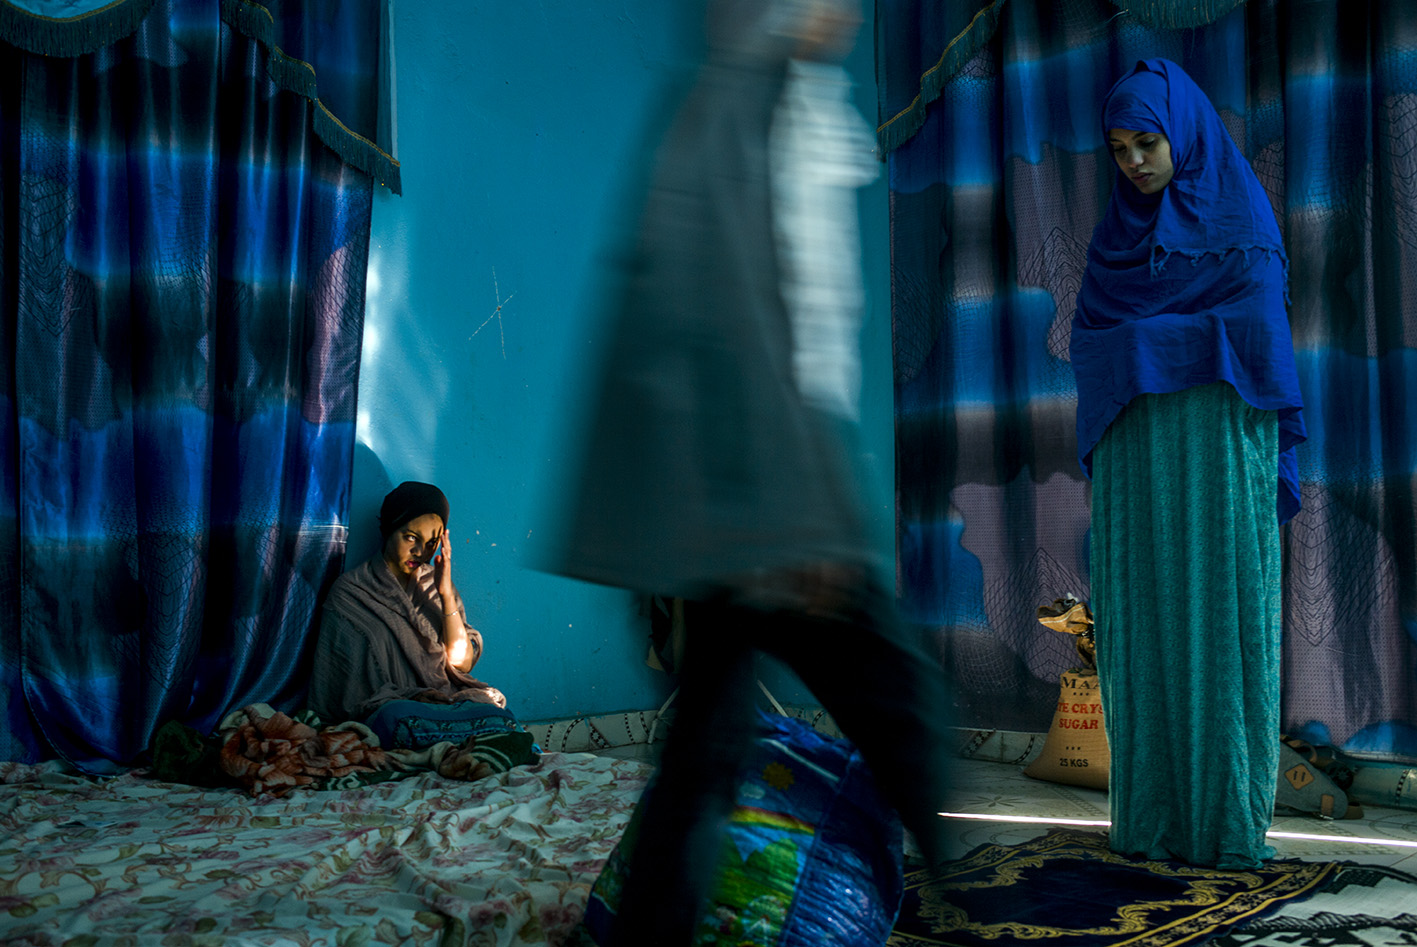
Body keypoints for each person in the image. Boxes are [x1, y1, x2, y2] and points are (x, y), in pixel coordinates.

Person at [547, 1, 953, 943]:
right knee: (900, 705)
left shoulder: (753, 100)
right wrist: (797, 520)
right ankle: (974, 905)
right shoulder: (751, 109)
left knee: (702, 751)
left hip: (726, 506)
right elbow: (747, 328)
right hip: (766, 506)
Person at [1070, 59, 1306, 868]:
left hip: (1216, 451)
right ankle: (1150, 822)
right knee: (1142, 622)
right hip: (1140, 456)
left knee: (1220, 614)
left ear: (1186, 136)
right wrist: (1171, 344)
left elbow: (1256, 344)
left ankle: (1224, 824)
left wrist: (1150, 346)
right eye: (1119, 148)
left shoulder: (1243, 229)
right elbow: (1093, 341)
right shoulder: (1114, 246)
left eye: (1148, 142)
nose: (1134, 162)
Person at [308, 481, 505, 731]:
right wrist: (412, 697)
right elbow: (343, 693)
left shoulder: (437, 585)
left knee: (493, 707)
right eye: (411, 537)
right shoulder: (350, 594)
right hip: (392, 713)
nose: (421, 552)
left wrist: (445, 594)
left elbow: (461, 665)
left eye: (432, 543)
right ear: (390, 529)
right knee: (396, 717)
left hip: (444, 703)